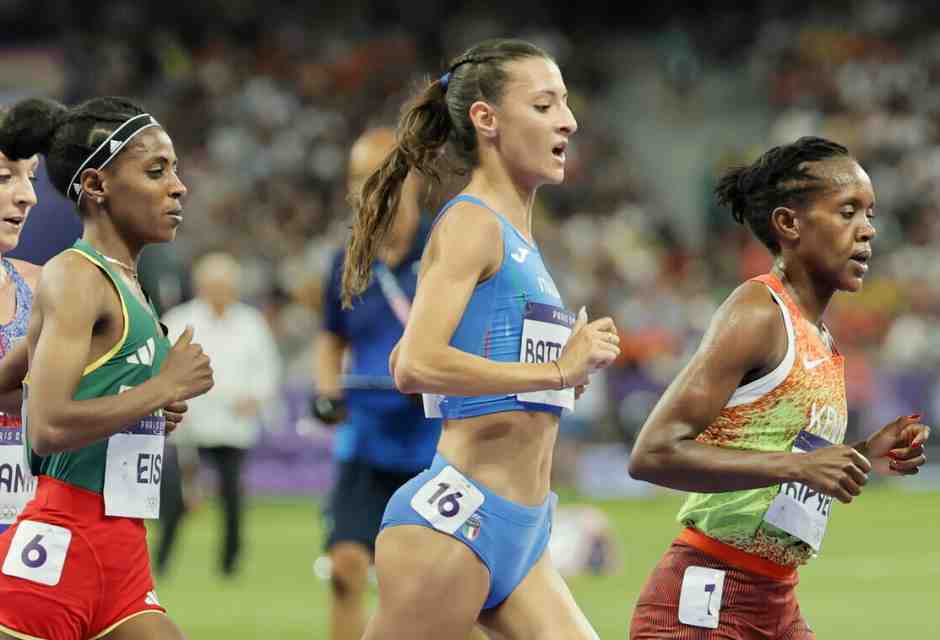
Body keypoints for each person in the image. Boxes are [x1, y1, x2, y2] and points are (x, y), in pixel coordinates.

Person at [341, 38, 620, 640]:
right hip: (458, 522)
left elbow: (407, 348)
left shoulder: (517, 235)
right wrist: (554, 373)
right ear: (486, 119)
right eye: (545, 105)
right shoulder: (472, 222)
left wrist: (554, 365)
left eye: (565, 103)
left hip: (523, 530)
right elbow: (413, 365)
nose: (568, 120)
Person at [627, 137, 931, 639]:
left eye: (870, 214)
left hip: (774, 601)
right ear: (789, 224)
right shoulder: (757, 313)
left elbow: (785, 467)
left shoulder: (820, 336)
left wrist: (859, 453)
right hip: (706, 603)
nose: (868, 230)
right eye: (848, 212)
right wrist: (802, 465)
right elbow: (652, 453)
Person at [0, 97, 214, 640]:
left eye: (176, 170)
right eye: (156, 170)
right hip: (60, 549)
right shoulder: (76, 275)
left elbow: (15, 376)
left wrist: (147, 410)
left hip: (121, 550)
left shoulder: (130, 286)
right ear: (96, 186)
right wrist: (160, 386)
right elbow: (48, 427)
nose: (178, 186)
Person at [313, 127, 445, 640]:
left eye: (376, 177)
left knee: (447, 588)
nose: (364, 190)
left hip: (435, 447)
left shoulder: (447, 249)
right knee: (346, 569)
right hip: (364, 441)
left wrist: (435, 376)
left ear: (411, 178)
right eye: (355, 179)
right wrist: (327, 390)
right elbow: (331, 337)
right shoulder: (345, 260)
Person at [156, 251, 281, 578]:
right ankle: (162, 560)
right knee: (176, 500)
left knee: (232, 500)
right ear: (200, 286)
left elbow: (267, 368)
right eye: (213, 284)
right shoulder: (179, 319)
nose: (219, 291)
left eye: (225, 285)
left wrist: (257, 397)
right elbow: (160, 367)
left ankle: (230, 563)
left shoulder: (251, 323)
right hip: (189, 426)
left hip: (233, 428)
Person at [0, 145, 42, 534]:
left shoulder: (46, 286)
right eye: (4, 177)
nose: (29, 194)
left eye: (32, 175)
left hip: (31, 535)